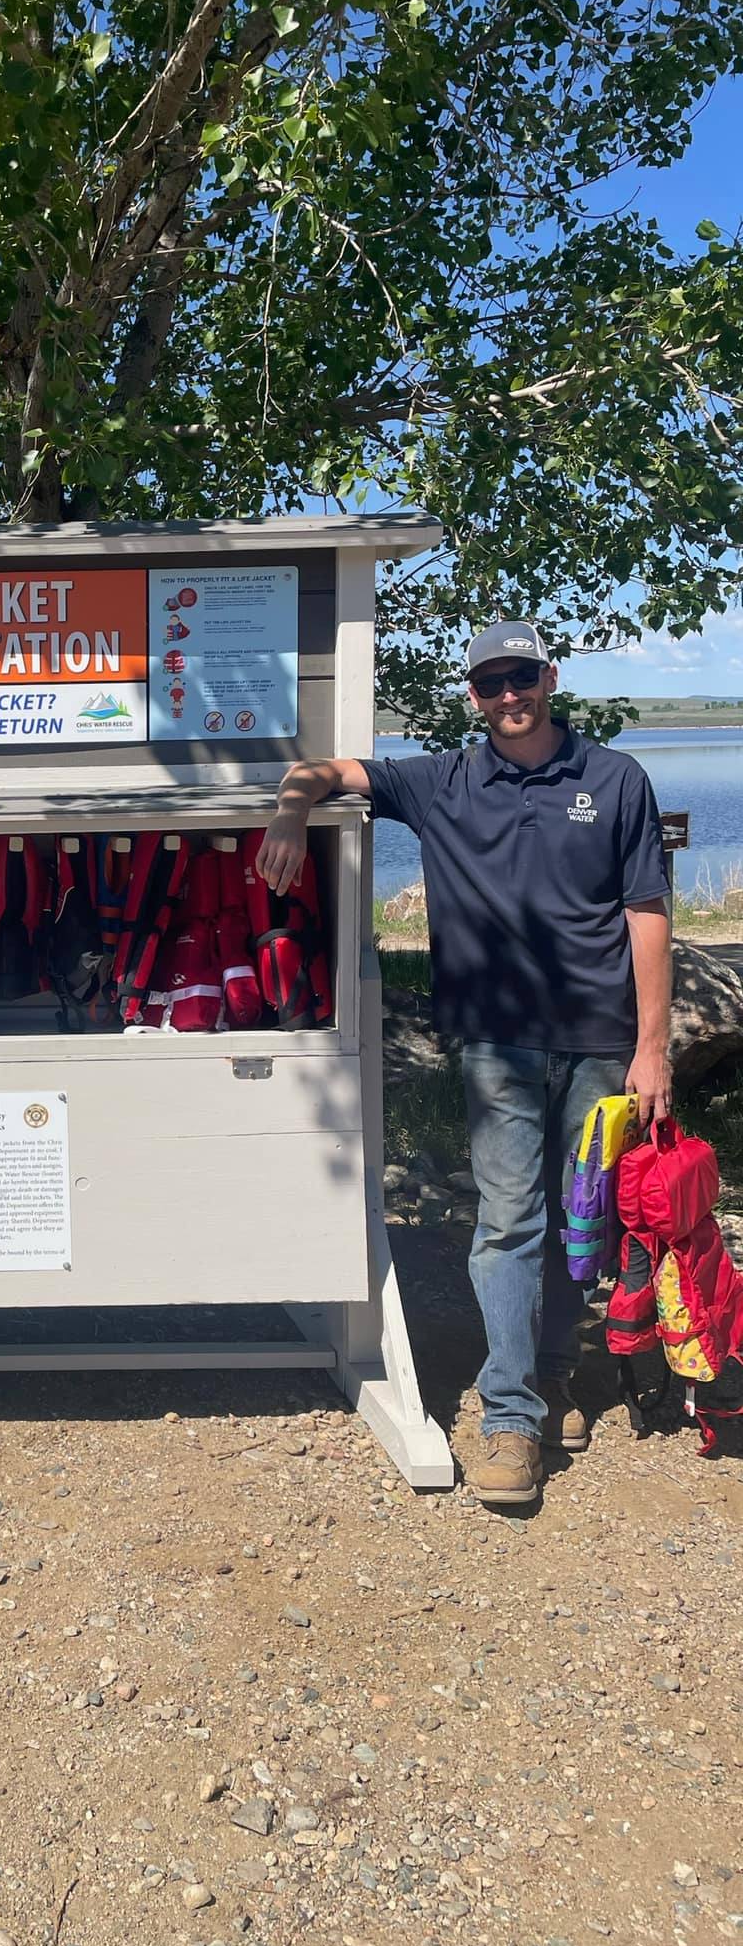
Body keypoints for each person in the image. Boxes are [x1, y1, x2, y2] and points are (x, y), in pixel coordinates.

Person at [257, 622, 672, 1505]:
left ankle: (553, 1371)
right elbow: (325, 771)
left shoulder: (615, 780)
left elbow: (646, 912)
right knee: (511, 1217)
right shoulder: (441, 779)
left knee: (579, 1217)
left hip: (600, 1040)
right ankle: (513, 1416)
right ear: (474, 696)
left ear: (549, 678)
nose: (508, 695)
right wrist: (291, 810)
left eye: (521, 677)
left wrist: (652, 1047)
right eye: (491, 684)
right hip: (494, 1039)